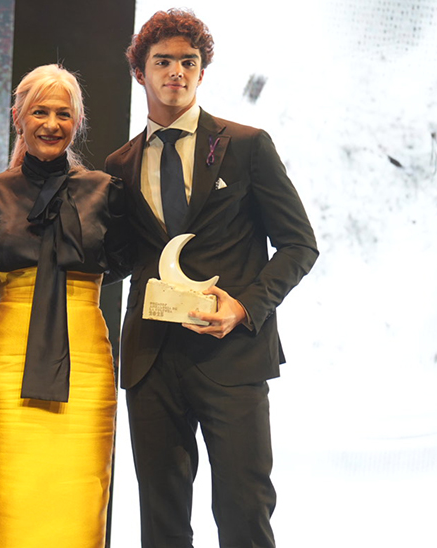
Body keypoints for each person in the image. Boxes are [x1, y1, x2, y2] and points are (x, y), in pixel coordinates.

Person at [104, 9, 319, 548]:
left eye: (188, 61)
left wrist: (245, 307)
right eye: (163, 61)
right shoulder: (118, 163)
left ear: (202, 72)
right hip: (152, 362)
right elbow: (120, 257)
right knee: (161, 518)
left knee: (245, 511)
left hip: (233, 358)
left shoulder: (247, 145)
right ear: (141, 73)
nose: (175, 71)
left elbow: (300, 244)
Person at [0, 64, 129, 547]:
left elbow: (124, 258)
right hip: (8, 358)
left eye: (63, 113)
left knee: (79, 495)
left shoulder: (104, 189)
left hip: (86, 360)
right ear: (18, 116)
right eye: (39, 111)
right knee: (6, 494)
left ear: (77, 122)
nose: (51, 123)